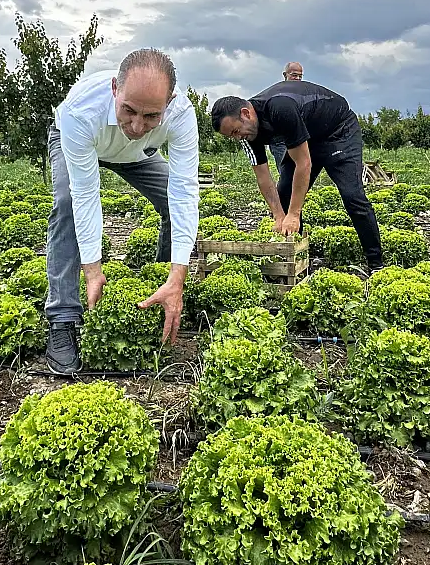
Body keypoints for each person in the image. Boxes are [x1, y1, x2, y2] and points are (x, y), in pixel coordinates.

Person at [44, 48, 200, 373]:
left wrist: (177, 277)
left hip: (137, 155)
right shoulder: (80, 111)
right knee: (66, 205)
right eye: (128, 110)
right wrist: (92, 269)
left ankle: (158, 287)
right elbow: (86, 195)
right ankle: (62, 317)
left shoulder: (181, 114)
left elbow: (185, 192)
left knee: (173, 202)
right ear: (115, 88)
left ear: (168, 104)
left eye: (151, 116)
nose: (137, 124)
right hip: (79, 140)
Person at [211, 78, 383, 272]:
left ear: (245, 114)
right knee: (283, 195)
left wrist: (294, 214)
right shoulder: (246, 133)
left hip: (339, 131)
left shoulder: (279, 108)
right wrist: (278, 215)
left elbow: (304, 163)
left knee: (352, 196)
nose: (237, 137)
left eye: (235, 131)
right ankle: (296, 261)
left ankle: (376, 263)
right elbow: (263, 176)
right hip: (309, 136)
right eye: (231, 136)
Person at [267, 61, 303, 168]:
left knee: (299, 170)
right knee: (285, 172)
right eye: (294, 75)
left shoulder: (302, 93)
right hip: (279, 140)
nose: (297, 78)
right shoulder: (277, 92)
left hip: (297, 138)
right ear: (285, 75)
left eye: (300, 76)